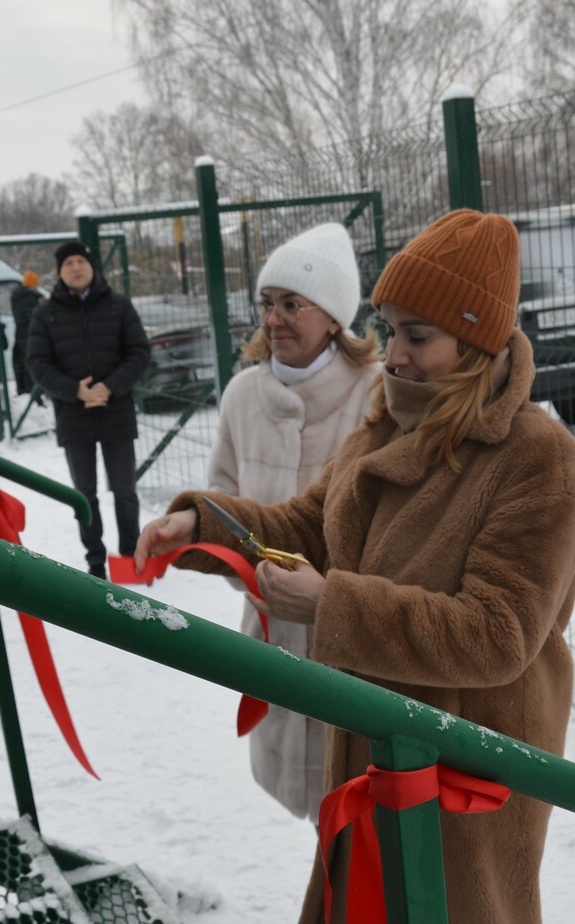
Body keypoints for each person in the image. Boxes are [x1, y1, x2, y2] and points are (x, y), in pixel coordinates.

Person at [135, 209, 575, 924]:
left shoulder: (537, 458)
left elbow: (498, 633)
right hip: (376, 744)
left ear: (475, 343)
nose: (396, 355)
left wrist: (334, 608)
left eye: (418, 337)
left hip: (467, 765)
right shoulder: (388, 420)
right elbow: (310, 526)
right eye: (390, 330)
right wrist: (204, 527)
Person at [209, 223, 383, 823]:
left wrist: (329, 597)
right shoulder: (241, 395)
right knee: (317, 814)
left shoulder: (376, 395)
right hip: (271, 631)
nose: (273, 320)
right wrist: (251, 573)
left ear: (333, 317)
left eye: (291, 304)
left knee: (358, 804)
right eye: (266, 303)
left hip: (351, 643)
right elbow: (223, 500)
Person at [28, 240, 151, 579]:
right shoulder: (45, 314)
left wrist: (110, 386)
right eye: (68, 263)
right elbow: (37, 363)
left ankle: (131, 556)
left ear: (92, 266)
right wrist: (75, 391)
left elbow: (139, 352)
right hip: (73, 417)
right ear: (60, 271)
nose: (76, 268)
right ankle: (95, 562)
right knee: (84, 494)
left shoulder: (118, 306)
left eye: (81, 261)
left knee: (125, 491)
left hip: (117, 411)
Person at [9, 269, 42, 396]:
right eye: (36, 284)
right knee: (32, 364)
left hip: (20, 335)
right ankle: (34, 393)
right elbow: (34, 318)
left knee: (21, 363)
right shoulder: (28, 299)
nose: (37, 287)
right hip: (30, 336)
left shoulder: (17, 297)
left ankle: (23, 390)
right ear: (31, 284)